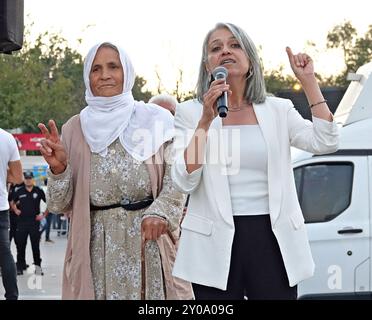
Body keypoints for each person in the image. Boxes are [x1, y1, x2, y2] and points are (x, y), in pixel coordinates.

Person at [171, 22, 339, 300]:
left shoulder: (278, 110)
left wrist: (309, 81)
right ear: (207, 66)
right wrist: (205, 121)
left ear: (250, 60)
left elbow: (325, 142)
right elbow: (183, 179)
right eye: (216, 48)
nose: (225, 50)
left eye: (234, 45)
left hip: (273, 239)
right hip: (214, 244)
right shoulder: (189, 113)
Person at [38, 42, 193, 300]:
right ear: (88, 77)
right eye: (96, 69)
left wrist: (161, 213)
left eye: (113, 66)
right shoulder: (74, 130)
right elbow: (58, 204)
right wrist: (59, 168)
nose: (105, 75)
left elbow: (177, 178)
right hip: (97, 250)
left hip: (149, 243)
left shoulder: (155, 119)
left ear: (127, 72)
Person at [10, 171, 47, 276]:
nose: (28, 180)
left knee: (35, 246)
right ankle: (20, 268)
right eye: (26, 178)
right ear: (24, 179)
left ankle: (38, 268)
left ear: (33, 179)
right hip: (22, 223)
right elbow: (12, 202)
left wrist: (44, 215)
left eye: (30, 178)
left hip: (34, 223)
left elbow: (48, 202)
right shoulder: (19, 191)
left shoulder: (38, 191)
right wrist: (16, 210)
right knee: (21, 246)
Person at [0, 128, 22, 300]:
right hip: (0, 208)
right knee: (5, 253)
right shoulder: (7, 138)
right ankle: (12, 296)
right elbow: (17, 177)